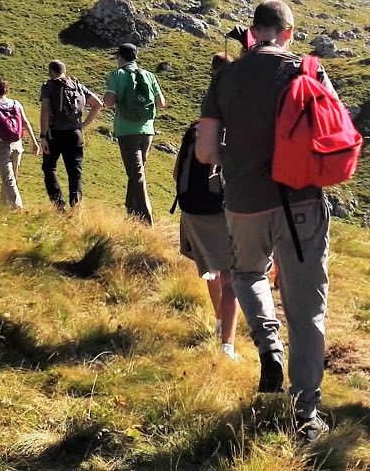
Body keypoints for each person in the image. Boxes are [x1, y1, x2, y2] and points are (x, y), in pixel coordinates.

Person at [195, 0, 336, 442]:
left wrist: (237, 158)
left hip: (244, 202)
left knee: (247, 273)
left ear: (253, 31)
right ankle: (306, 412)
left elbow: (205, 151)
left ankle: (268, 342)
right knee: (306, 309)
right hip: (301, 202)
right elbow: (334, 134)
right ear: (288, 32)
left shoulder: (226, 76)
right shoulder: (307, 70)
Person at [177, 52, 239, 360]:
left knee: (211, 271)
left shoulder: (197, 127)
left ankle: (218, 323)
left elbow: (178, 171)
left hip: (190, 209)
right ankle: (227, 345)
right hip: (218, 210)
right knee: (232, 276)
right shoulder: (232, 126)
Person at [104, 42, 166, 223]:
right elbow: (161, 103)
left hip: (126, 131)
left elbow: (108, 102)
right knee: (136, 172)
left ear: (120, 57)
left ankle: (146, 221)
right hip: (147, 131)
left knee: (137, 175)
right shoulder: (149, 75)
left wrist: (116, 99)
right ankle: (131, 213)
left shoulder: (117, 74)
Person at [39, 60, 103, 211]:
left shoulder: (48, 86)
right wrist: (83, 126)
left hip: (54, 133)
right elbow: (98, 104)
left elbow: (45, 111)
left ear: (51, 72)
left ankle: (58, 205)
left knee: (49, 168)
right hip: (75, 134)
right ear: (64, 71)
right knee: (75, 172)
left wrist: (43, 136)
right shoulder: (77, 85)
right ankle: (76, 207)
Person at [0, 78, 40, 210]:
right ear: (6, 90)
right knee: (11, 178)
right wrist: (34, 142)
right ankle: (4, 207)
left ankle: (18, 207)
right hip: (17, 144)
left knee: (8, 179)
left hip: (0, 145)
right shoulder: (16, 104)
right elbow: (25, 123)